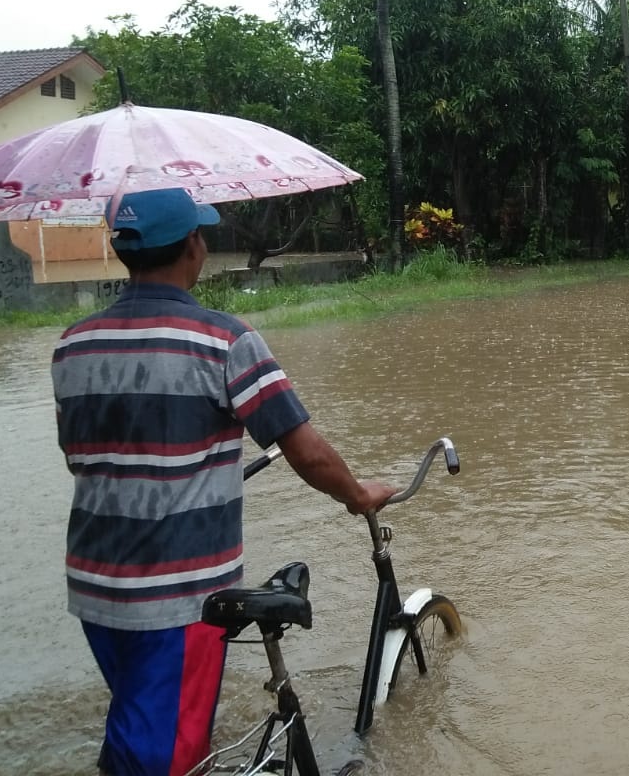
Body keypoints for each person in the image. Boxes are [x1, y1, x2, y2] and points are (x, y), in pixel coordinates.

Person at [50, 188, 395, 776]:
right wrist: (359, 494)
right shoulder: (225, 340)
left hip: (95, 586)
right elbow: (307, 454)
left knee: (138, 722)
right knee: (168, 757)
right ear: (193, 245)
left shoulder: (72, 344)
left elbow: (84, 456)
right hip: (175, 597)